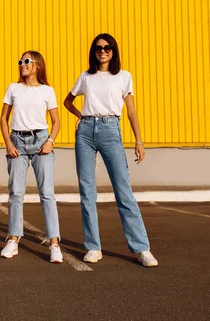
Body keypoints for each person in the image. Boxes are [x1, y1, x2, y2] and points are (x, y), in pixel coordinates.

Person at [63, 33, 158, 267]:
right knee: (87, 191)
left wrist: (139, 141)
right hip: (85, 132)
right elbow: (68, 101)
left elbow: (131, 111)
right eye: (98, 48)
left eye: (107, 48)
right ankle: (93, 247)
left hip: (111, 129)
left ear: (113, 51)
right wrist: (79, 117)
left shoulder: (123, 77)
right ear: (93, 52)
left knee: (123, 190)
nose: (102, 51)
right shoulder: (86, 76)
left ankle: (141, 248)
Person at [0, 51, 63, 263]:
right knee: (16, 193)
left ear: (37, 66)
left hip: (41, 142)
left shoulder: (47, 90)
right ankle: (13, 239)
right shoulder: (13, 88)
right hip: (17, 142)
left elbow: (56, 121)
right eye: (20, 61)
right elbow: (3, 118)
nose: (22, 65)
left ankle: (54, 244)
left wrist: (49, 142)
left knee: (47, 194)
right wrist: (8, 143)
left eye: (26, 61)